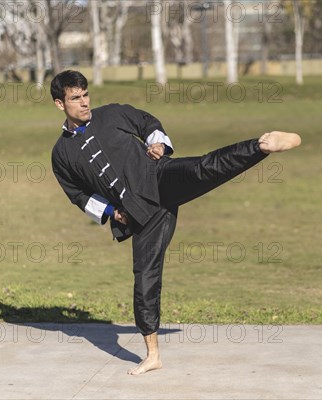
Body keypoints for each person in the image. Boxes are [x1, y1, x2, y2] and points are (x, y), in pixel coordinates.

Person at [50, 70, 301, 375]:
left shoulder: (113, 113)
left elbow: (147, 122)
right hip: (140, 214)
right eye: (75, 98)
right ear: (60, 104)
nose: (84, 102)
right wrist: (112, 213)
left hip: (159, 179)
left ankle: (262, 145)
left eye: (85, 94)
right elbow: (77, 194)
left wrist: (159, 145)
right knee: (144, 281)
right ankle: (152, 355)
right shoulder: (61, 154)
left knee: (204, 168)